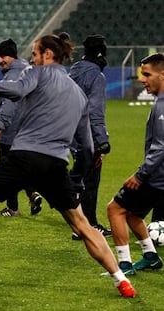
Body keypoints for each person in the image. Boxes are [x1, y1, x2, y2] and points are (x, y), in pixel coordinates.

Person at [0, 34, 136, 298]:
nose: (31, 59)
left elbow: (15, 90)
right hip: (56, 166)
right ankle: (121, 280)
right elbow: (87, 148)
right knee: (82, 226)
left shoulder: (39, 73)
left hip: (26, 157)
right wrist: (77, 177)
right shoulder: (78, 94)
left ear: (48, 55)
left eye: (34, 54)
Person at [107, 53, 164, 275]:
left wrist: (140, 175)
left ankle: (123, 266)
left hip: (154, 176)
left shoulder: (162, 106)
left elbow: (161, 147)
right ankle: (150, 257)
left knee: (114, 209)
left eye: (148, 74)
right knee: (132, 215)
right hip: (157, 175)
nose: (143, 79)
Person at [0, 38, 43, 217]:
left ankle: (13, 208)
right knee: (22, 167)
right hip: (27, 131)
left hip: (11, 131)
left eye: (3, 56)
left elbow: (9, 102)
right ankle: (33, 193)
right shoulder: (28, 70)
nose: (0, 60)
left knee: (8, 171)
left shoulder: (13, 75)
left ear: (12, 56)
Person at [68, 35, 112, 240]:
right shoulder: (96, 76)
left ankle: (79, 223)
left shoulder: (73, 71)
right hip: (87, 135)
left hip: (69, 132)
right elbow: (95, 111)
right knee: (91, 180)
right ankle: (88, 225)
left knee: (80, 178)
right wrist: (102, 140)